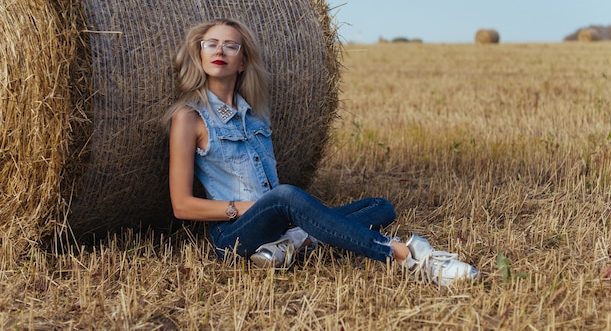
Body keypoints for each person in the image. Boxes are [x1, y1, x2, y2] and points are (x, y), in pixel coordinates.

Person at [163, 18, 480, 287]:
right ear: (199, 54)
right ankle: (407, 256)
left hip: (279, 225)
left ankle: (291, 245)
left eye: (230, 45)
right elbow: (182, 205)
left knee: (380, 206)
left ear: (242, 61)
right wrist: (247, 208)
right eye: (211, 44)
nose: (220, 50)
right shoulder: (189, 118)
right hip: (234, 235)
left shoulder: (256, 116)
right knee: (287, 196)